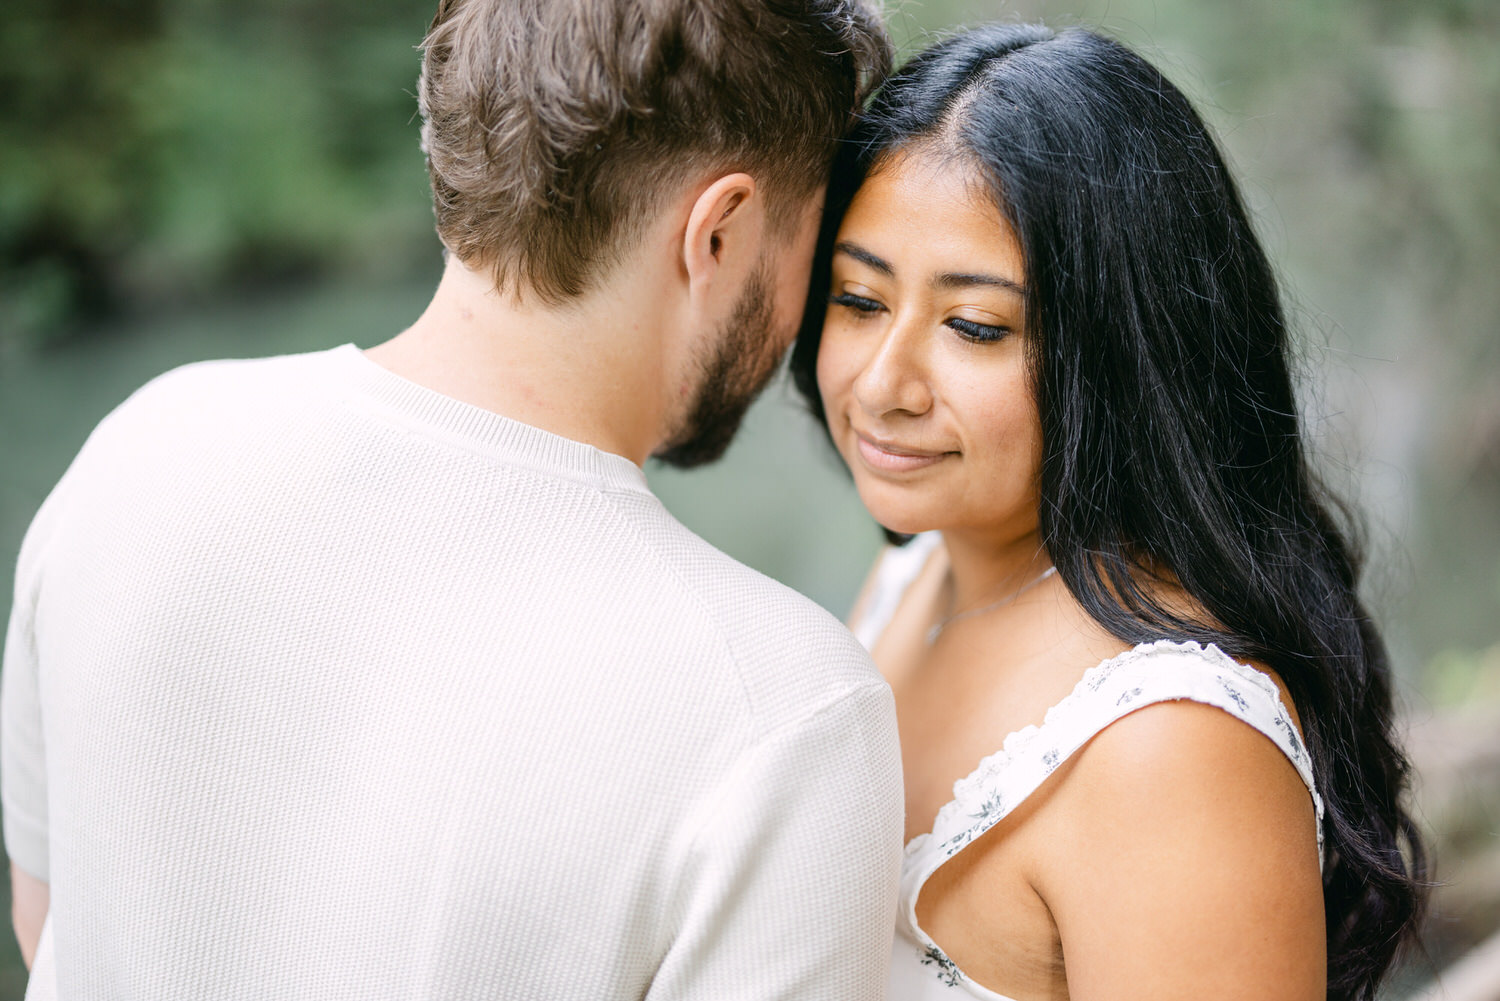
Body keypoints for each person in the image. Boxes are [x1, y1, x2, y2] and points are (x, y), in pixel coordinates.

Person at [1, 2, 904, 998]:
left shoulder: (138, 449)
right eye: (814, 248)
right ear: (720, 228)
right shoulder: (785, 708)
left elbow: (53, 924)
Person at [790, 23, 1427, 1001]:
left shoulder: (1169, 745)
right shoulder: (918, 567)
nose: (883, 383)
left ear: (1122, 343)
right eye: (859, 298)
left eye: (973, 325)